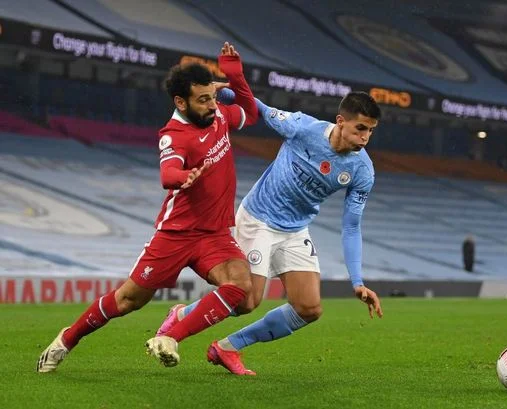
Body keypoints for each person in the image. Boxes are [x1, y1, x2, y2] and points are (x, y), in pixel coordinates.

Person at [36, 42, 258, 373]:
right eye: (202, 100)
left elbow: (250, 114)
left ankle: (171, 336)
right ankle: (67, 339)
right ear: (181, 102)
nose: (212, 105)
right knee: (129, 300)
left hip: (213, 233)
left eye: (212, 97)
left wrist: (236, 76)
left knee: (241, 289)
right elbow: (168, 174)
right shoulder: (174, 134)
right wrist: (185, 176)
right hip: (176, 233)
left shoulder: (219, 115)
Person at [155, 88, 384, 376]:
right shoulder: (303, 127)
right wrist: (225, 93)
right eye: (360, 128)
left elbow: (351, 225)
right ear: (341, 121)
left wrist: (357, 281)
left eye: (371, 131)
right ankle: (181, 314)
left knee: (309, 308)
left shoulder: (362, 170)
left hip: (295, 228)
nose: (365, 137)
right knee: (247, 301)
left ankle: (227, 347)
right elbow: (261, 109)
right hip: (259, 218)